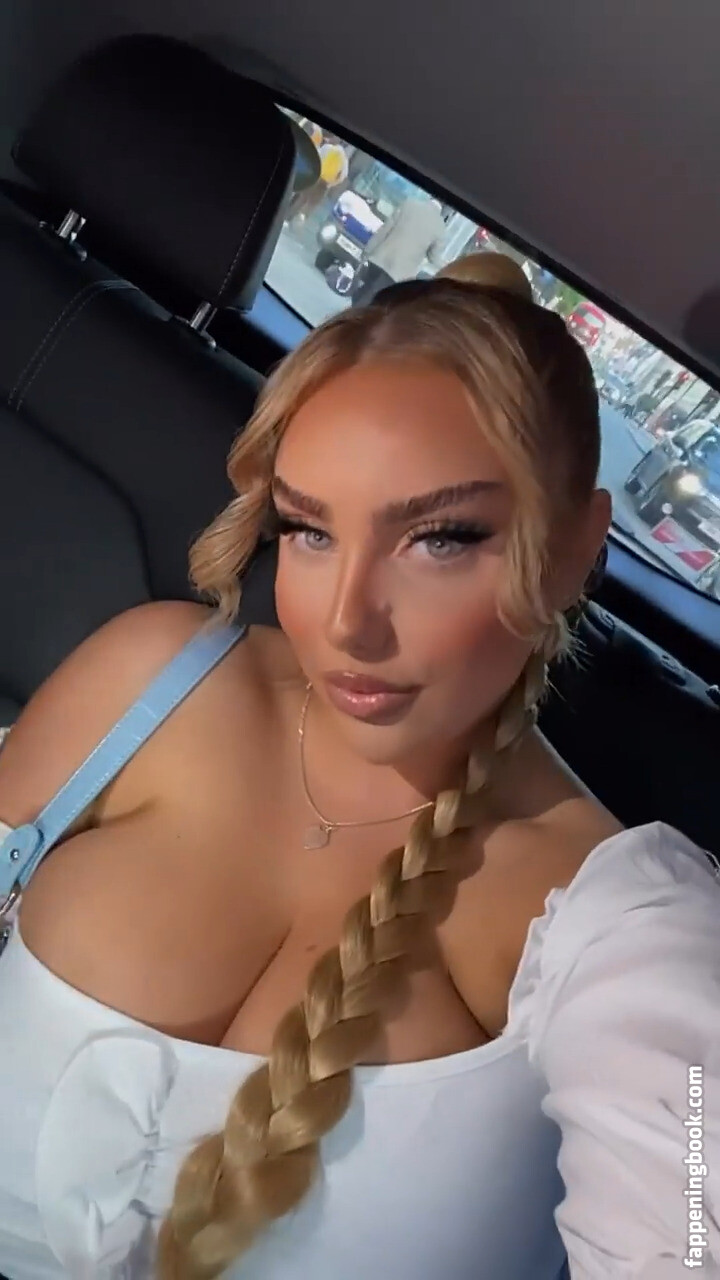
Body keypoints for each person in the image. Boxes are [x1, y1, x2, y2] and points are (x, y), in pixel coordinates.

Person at [0, 257, 718, 1280]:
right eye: (309, 529)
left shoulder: (630, 932)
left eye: (440, 538)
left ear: (571, 551)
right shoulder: (148, 680)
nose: (346, 623)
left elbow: (686, 1226)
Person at [351, 193, 446, 305]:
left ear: (431, 196)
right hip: (398, 273)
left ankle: (354, 309)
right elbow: (434, 257)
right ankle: (356, 312)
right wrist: (447, 266)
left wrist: (367, 250)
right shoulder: (440, 227)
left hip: (378, 259)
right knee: (373, 300)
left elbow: (385, 230)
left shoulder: (409, 204)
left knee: (366, 291)